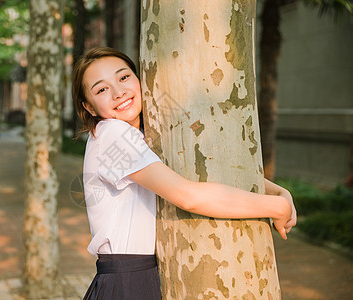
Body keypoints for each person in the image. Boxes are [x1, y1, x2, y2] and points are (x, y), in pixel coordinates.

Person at [72, 47, 297, 300]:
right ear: (89, 108)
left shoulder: (136, 137)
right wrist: (275, 206)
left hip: (135, 277)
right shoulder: (113, 134)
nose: (118, 92)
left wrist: (277, 190)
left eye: (123, 77)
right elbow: (186, 195)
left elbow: (197, 175)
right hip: (128, 282)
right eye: (101, 89)